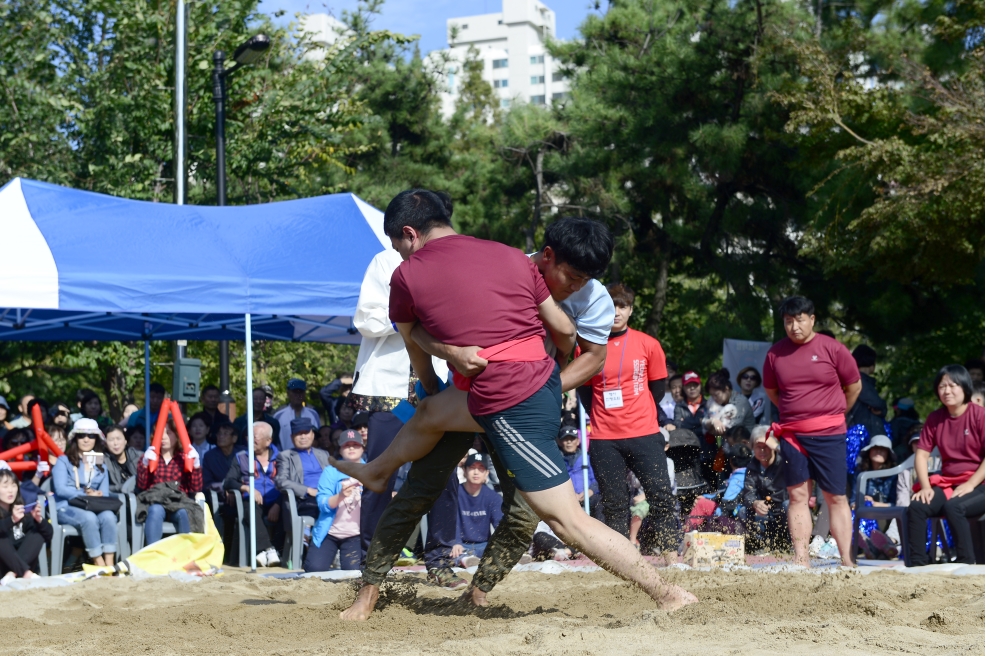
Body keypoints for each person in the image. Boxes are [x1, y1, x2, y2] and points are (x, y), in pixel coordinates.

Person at [339, 190, 694, 620]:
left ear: (410, 233)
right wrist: (449, 365)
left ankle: (663, 593)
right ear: (546, 256)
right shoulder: (511, 260)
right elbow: (560, 332)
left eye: (585, 279)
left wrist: (539, 387)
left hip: (515, 399)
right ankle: (371, 565)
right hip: (483, 391)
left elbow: (585, 352)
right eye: (572, 276)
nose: (578, 285)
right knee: (427, 432)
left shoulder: (589, 297)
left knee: (561, 520)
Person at [761, 296, 862, 567]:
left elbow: (853, 387)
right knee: (797, 495)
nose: (794, 326)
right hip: (793, 434)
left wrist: (836, 412)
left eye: (800, 320)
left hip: (830, 432)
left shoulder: (833, 348)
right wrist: (795, 412)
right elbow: (772, 391)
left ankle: (846, 560)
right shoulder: (775, 354)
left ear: (812, 319)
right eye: (788, 321)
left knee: (836, 496)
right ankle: (801, 558)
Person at [582, 282, 678, 560]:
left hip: (644, 432)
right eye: (610, 305)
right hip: (604, 437)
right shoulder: (587, 344)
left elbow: (657, 389)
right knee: (613, 502)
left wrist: (637, 411)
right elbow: (585, 391)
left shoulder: (649, 344)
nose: (615, 312)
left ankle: (671, 555)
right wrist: (606, 416)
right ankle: (621, 560)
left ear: (631, 310)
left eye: (622, 306)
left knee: (660, 495)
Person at [906, 365, 985, 566]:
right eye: (942, 386)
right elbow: (921, 456)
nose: (947, 391)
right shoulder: (935, 418)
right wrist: (925, 487)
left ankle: (966, 562)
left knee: (953, 508)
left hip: (980, 482)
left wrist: (971, 484)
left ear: (965, 387)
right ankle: (918, 564)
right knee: (916, 507)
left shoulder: (979, 415)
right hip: (950, 482)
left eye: (953, 385)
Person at [51, 419, 118, 566]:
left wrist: (97, 495)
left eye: (91, 436)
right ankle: (98, 563)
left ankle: (110, 564)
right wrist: (85, 494)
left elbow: (104, 494)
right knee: (89, 518)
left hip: (93, 506)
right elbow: (60, 489)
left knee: (109, 516)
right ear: (75, 438)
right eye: (81, 435)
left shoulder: (100, 463)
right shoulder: (64, 460)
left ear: (97, 439)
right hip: (66, 506)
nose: (86, 439)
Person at [304, 430, 365, 571]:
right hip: (329, 532)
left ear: (362, 447)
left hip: (356, 534)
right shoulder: (330, 471)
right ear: (340, 449)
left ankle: (342, 558)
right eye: (346, 445)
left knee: (354, 572)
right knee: (314, 569)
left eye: (355, 444)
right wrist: (341, 496)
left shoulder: (370, 470)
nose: (351, 448)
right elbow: (322, 503)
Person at [224, 422, 281, 566]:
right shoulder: (241, 457)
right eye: (249, 436)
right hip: (253, 501)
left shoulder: (281, 457)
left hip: (276, 500)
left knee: (288, 508)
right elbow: (228, 482)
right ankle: (268, 549)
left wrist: (278, 504)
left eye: (255, 437)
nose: (251, 440)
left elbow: (286, 482)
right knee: (249, 506)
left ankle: (271, 553)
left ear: (268, 441)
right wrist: (247, 488)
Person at [136, 424, 202, 545]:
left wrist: (196, 465)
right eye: (160, 433)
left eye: (168, 433)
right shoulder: (149, 456)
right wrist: (144, 464)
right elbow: (141, 485)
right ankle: (153, 553)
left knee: (184, 512)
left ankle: (186, 554)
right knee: (156, 510)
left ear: (177, 436)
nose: (163, 437)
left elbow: (196, 488)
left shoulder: (184, 458)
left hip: (178, 502)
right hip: (155, 501)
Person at [274, 417, 330, 536]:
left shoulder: (323, 454)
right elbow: (281, 481)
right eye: (298, 434)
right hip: (303, 500)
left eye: (306, 433)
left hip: (326, 496)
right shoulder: (286, 456)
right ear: (291, 437)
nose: (303, 437)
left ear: (313, 435)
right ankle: (307, 537)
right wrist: (307, 490)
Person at [742, 426, 790, 551]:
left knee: (789, 505)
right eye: (758, 446)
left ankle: (791, 544)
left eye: (766, 446)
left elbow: (796, 457)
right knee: (743, 511)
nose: (762, 450)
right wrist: (755, 503)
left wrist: (778, 448)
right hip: (765, 512)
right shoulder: (752, 466)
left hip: (782, 508)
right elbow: (748, 493)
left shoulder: (784, 462)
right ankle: (761, 545)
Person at [451, 454, 503, 567]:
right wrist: (456, 542)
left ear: (486, 473)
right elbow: (451, 521)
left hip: (483, 545)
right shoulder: (455, 494)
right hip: (460, 545)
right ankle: (464, 560)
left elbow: (499, 524)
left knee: (497, 550)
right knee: (447, 551)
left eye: (480, 469)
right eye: (472, 468)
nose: (476, 472)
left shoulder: (493, 497)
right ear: (464, 470)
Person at [0, 469, 50, 583]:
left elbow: (49, 535)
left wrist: (39, 520)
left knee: (37, 533)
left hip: (15, 574)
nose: (10, 491)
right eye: (5, 486)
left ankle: (13, 573)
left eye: (13, 485)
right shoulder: (14, 515)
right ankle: (25, 573)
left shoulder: (20, 509)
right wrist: (12, 520)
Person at [556, 425, 599, 516]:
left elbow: (596, 479)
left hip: (588, 496)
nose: (569, 442)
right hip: (567, 498)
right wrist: (570, 495)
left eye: (572, 439)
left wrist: (590, 491)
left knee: (600, 503)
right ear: (559, 442)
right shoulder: (557, 461)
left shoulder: (586, 458)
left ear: (578, 441)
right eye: (565, 439)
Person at [272, 379, 321, 453]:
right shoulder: (278, 416)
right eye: (295, 392)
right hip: (287, 458)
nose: (298, 395)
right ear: (288, 394)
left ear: (304, 394)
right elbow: (275, 441)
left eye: (300, 392)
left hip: (309, 457)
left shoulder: (313, 414)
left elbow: (318, 438)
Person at [202, 424, 242, 493]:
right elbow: (207, 482)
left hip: (241, 492)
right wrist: (224, 488)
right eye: (219, 434)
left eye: (225, 434)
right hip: (218, 494)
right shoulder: (209, 456)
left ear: (234, 438)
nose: (221, 436)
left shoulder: (242, 454)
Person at [103, 426, 141, 493]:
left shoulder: (139, 456)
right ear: (105, 444)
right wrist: (123, 487)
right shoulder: (103, 460)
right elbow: (103, 487)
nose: (115, 443)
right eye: (111, 440)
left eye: (119, 439)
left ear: (125, 441)